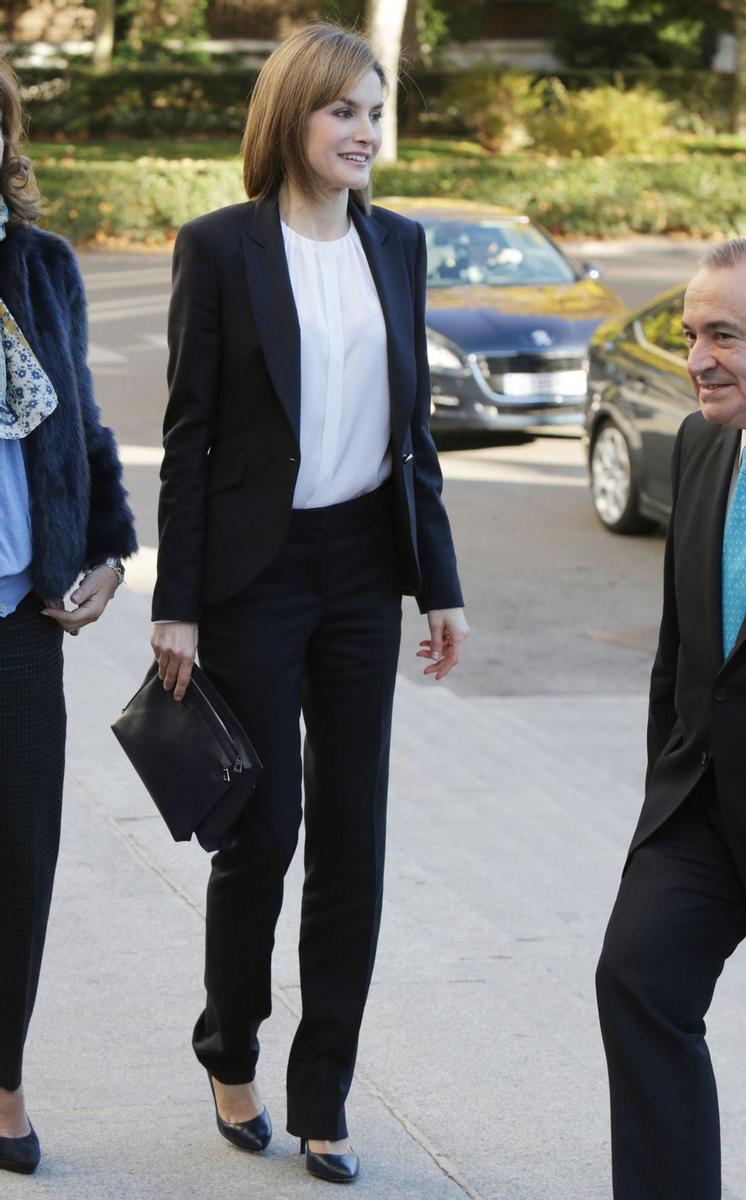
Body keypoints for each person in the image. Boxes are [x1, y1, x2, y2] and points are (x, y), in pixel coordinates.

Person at [150, 23, 467, 1185]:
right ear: (292, 119)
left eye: (376, 112)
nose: (366, 133)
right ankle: (229, 1049)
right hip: (250, 578)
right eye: (344, 112)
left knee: (354, 841)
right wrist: (173, 602)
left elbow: (413, 435)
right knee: (264, 832)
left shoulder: (402, 246)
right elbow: (189, 439)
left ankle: (323, 1095)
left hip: (355, 575)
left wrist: (439, 582)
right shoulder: (221, 249)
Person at [595, 236, 746, 1200]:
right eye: (689, 335)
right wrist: (662, 798)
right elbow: (682, 650)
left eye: (723, 335)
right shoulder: (698, 444)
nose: (693, 359)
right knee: (637, 985)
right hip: (702, 810)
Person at [0, 61, 136, 1175]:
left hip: (16, 621)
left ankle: (3, 1084)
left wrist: (107, 549)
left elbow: (83, 420)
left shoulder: (39, 265)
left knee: (18, 862)